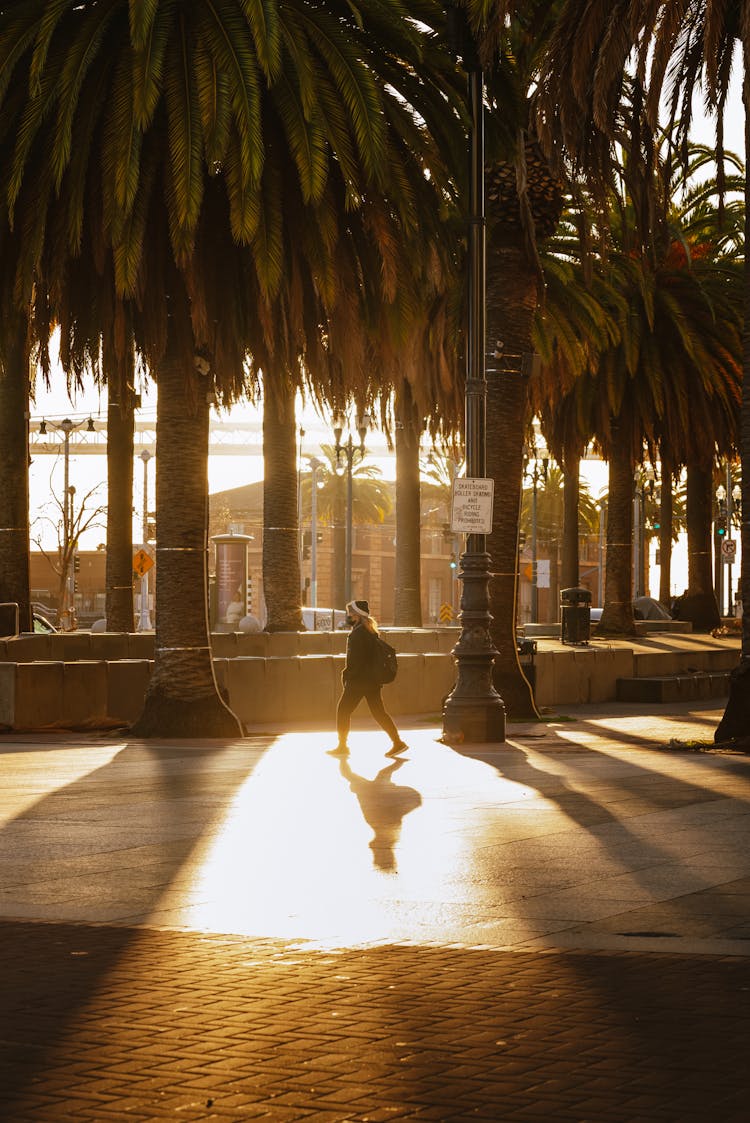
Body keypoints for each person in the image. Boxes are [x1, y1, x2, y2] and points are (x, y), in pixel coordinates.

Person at [329, 599, 408, 758]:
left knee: (343, 710)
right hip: (372, 680)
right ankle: (398, 742)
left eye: (350, 613)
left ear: (357, 615)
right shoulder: (369, 630)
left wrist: (347, 676)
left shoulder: (357, 634)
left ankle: (342, 745)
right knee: (379, 713)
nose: (348, 616)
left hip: (359, 681)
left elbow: (355, 660)